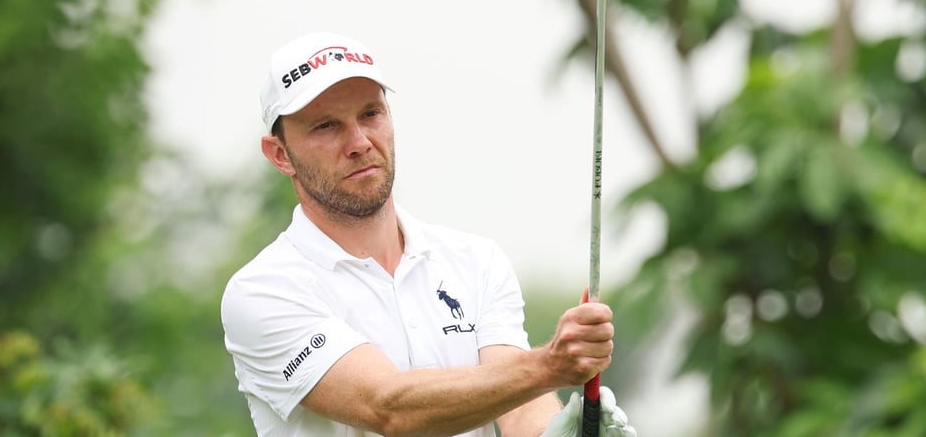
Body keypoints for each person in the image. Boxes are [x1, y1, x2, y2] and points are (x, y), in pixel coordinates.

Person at [221, 32, 638, 437]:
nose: (359, 142)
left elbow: (519, 408)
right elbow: (387, 408)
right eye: (326, 126)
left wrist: (556, 433)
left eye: (370, 114)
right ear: (280, 155)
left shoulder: (475, 261)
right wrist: (549, 365)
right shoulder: (263, 291)